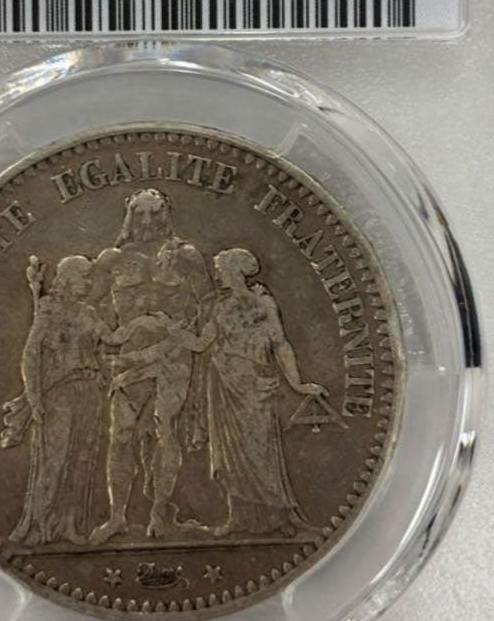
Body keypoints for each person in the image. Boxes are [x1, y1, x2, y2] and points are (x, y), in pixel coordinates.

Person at [3, 255, 158, 546]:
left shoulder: (88, 313)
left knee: (82, 460)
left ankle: (69, 526)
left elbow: (112, 339)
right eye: (84, 276)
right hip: (60, 393)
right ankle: (38, 527)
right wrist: (34, 397)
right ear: (67, 278)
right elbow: (30, 354)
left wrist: (140, 322)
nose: (88, 282)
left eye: (89, 277)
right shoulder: (48, 310)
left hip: (90, 392)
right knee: (55, 459)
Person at [88, 188, 214, 542]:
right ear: (129, 214)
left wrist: (191, 337)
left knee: (165, 429)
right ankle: (117, 517)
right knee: (120, 434)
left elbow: (208, 303)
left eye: (155, 213)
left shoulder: (186, 255)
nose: (147, 221)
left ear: (166, 214)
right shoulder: (112, 259)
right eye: (140, 213)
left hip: (173, 357)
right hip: (128, 357)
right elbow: (90, 305)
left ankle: (159, 514)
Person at [206, 248, 324, 539]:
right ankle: (237, 518)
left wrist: (296, 383)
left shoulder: (263, 303)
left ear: (235, 270)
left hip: (254, 385)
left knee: (261, 450)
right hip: (224, 384)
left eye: (220, 269)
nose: (217, 276)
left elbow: (280, 344)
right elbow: (204, 342)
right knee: (231, 453)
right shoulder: (219, 307)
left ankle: (281, 516)